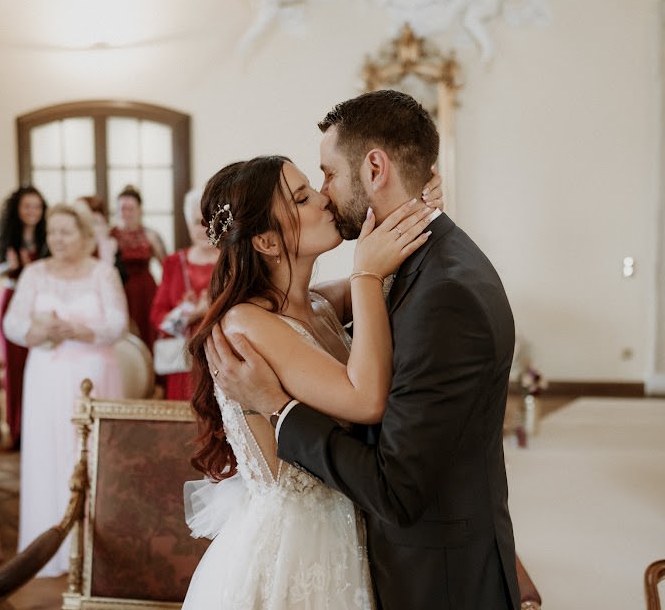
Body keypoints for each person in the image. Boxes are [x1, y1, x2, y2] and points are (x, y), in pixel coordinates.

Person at [206, 90, 520, 609]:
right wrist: (374, 261)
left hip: (400, 549)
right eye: (306, 194)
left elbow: (351, 303)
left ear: (375, 167)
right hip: (299, 550)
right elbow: (364, 387)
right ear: (265, 240)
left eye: (323, 177)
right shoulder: (254, 322)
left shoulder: (366, 297)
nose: (325, 195)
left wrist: (404, 214)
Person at [2, 202, 128, 578]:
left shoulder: (103, 273)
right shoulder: (34, 273)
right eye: (51, 232)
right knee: (48, 453)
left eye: (65, 231)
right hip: (46, 376)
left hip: (95, 375)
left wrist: (79, 330)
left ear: (86, 235)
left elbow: (119, 323)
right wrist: (37, 332)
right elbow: (12, 322)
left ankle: (97, 550)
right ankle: (49, 548)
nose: (56, 239)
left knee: (89, 456)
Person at [0, 186, 48, 450]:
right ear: (17, 209)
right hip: (14, 301)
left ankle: (40, 428)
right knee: (14, 369)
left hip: (42, 307)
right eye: (27, 206)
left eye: (37, 207)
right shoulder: (7, 237)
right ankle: (16, 430)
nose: (32, 212)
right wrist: (12, 265)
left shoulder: (48, 237)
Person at [149, 188, 218, 400]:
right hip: (184, 362)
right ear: (189, 225)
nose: (206, 229)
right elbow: (157, 316)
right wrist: (188, 313)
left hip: (222, 358)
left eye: (211, 221)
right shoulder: (173, 263)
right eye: (199, 222)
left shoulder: (233, 261)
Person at [110, 185, 166, 350]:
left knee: (147, 334)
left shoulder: (151, 235)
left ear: (139, 210)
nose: (126, 213)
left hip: (146, 292)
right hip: (119, 292)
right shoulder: (109, 235)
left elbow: (167, 267)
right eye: (122, 208)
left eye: (131, 209)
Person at [77, 195, 127, 283]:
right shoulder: (75, 245)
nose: (94, 228)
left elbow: (122, 276)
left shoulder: (111, 245)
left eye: (97, 222)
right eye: (91, 222)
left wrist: (104, 246)